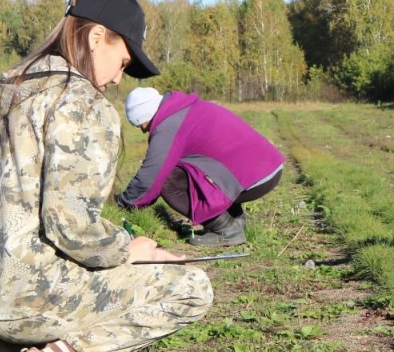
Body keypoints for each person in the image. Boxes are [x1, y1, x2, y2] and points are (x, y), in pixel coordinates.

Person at [0, 0, 214, 352]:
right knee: (190, 287)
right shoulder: (80, 103)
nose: (116, 79)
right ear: (96, 38)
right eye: (122, 62)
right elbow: (70, 226)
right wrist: (131, 250)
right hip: (23, 293)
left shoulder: (13, 87)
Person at [115, 87, 285, 247]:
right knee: (195, 171)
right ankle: (236, 222)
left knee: (169, 181)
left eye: (140, 125)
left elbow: (152, 176)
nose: (143, 131)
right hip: (267, 169)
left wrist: (124, 203)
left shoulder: (167, 127)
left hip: (254, 178)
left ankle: (226, 230)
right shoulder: (187, 109)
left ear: (145, 116)